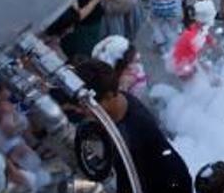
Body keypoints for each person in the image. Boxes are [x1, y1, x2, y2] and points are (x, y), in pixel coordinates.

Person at [75, 59, 192, 193]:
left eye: (88, 105)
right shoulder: (119, 100)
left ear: (108, 96)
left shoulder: (133, 134)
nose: (82, 110)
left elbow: (130, 182)